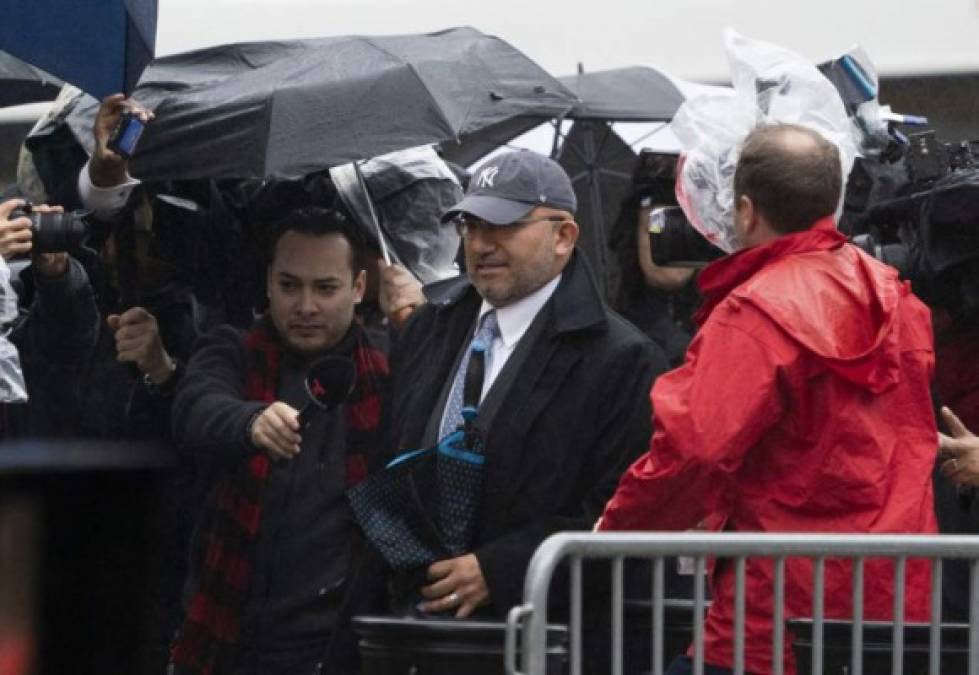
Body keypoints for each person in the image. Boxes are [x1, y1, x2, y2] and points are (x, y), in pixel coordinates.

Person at [598, 123, 939, 675]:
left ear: (747, 211)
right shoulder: (897, 298)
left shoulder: (753, 311)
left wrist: (612, 534)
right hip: (894, 609)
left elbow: (693, 450)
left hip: (773, 619)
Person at [383, 150, 667, 618]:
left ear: (564, 236)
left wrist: (500, 571)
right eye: (471, 226)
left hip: (539, 634)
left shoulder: (623, 359)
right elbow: (390, 461)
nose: (481, 245)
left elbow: (619, 513)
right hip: (414, 629)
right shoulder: (430, 328)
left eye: (505, 227)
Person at [169, 207, 389, 675]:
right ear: (268, 283)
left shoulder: (393, 370)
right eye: (290, 286)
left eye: (325, 288)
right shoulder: (231, 350)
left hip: (342, 645)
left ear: (358, 288)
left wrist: (420, 321)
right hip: (225, 635)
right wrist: (250, 423)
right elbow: (196, 406)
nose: (306, 306)